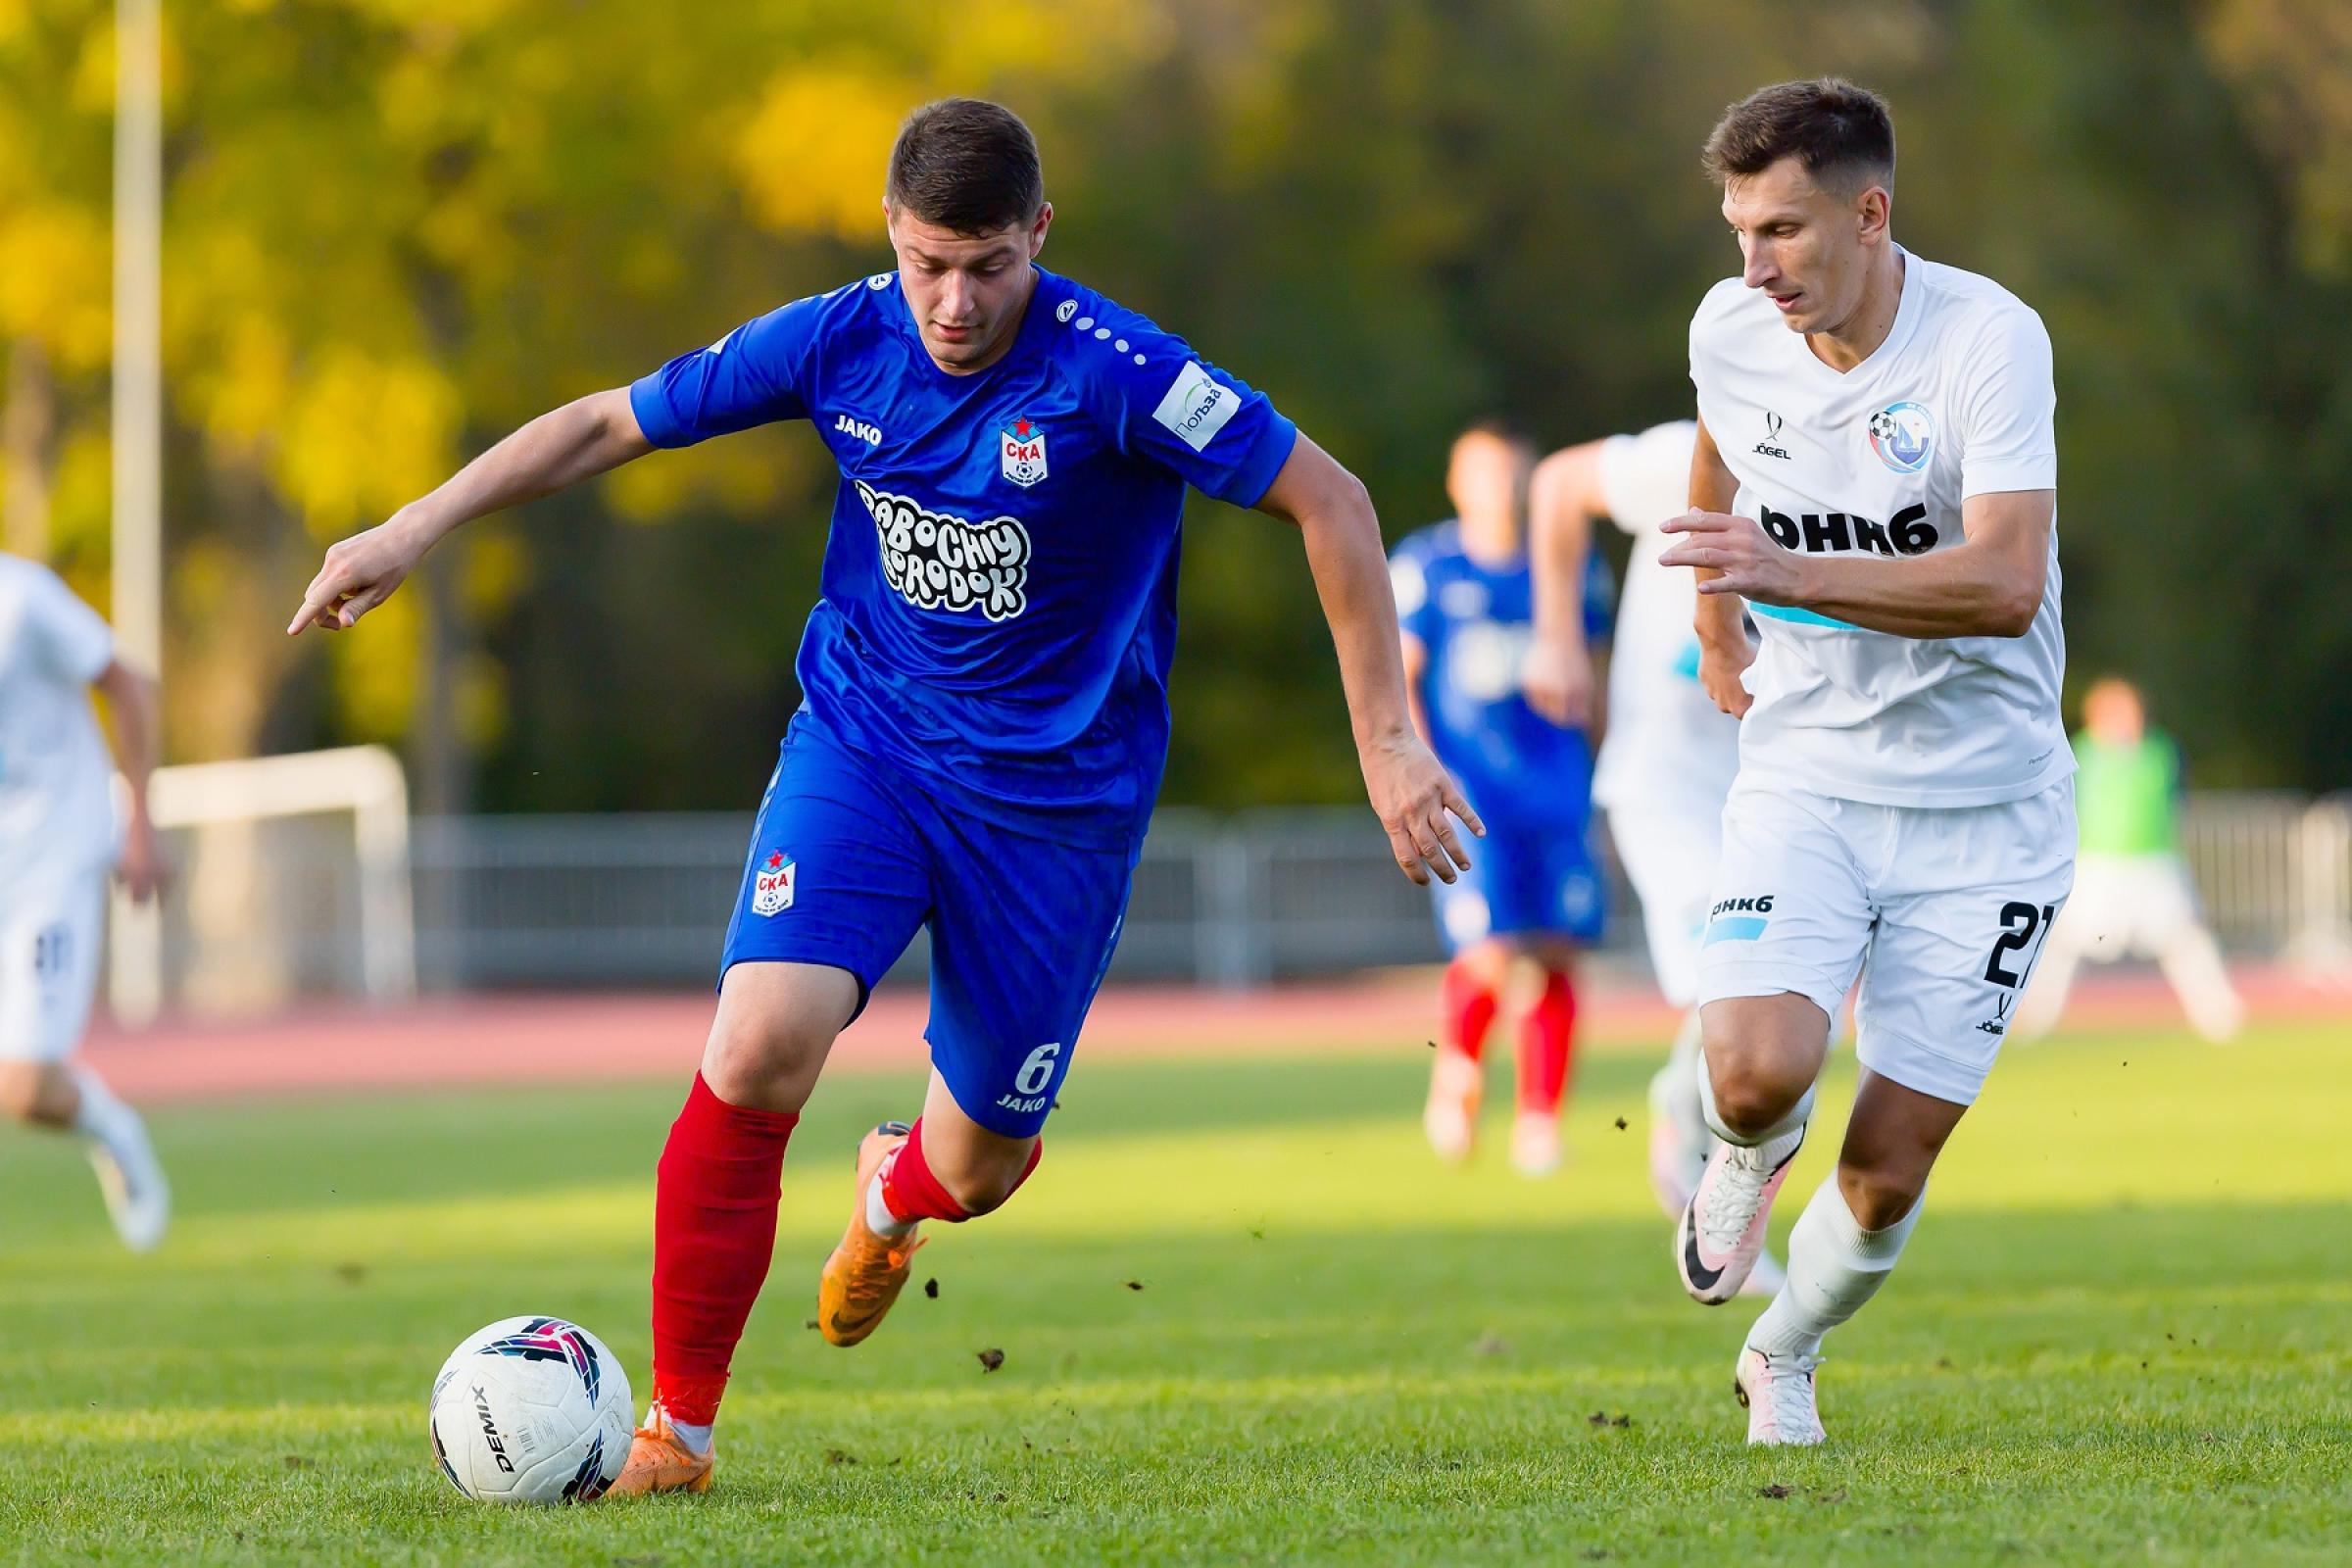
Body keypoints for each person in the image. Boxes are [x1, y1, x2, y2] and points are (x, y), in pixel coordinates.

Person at [286, 97, 1478, 1495]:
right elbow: (609, 423)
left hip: (1055, 809)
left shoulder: (1118, 372)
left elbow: (1333, 500)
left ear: (1039, 234)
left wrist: (1387, 741)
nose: (955, 303)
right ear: (890, 236)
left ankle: (892, 1192)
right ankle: (679, 1432)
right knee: (756, 1046)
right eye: (927, 264)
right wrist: (413, 526)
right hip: (870, 748)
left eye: (988, 266)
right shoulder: (835, 340)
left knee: (978, 1168)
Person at [1660, 78, 2072, 1445]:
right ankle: (1745, 1148)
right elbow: (1720, 449)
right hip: (1812, 776)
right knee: (1752, 1072)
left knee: (1889, 1170)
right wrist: (1717, 619)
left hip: (1991, 809)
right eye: (1739, 232)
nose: (1755, 267)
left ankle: (1783, 1351)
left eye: (1783, 231)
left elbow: (2006, 584)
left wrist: (1789, 577)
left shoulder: (1987, 341)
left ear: (1871, 215)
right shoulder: (1731, 329)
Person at [1528, 420, 1784, 1297]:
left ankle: (1696, 1124)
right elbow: (1559, 483)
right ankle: (1693, 1156)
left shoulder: (1845, 478)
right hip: (1667, 783)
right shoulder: (1694, 456)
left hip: (1777, 788)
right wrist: (1557, 635)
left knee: (1796, 1007)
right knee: (1737, 984)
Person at [1393, 421, 1611, 1176]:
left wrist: (1605, 767)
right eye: (1484, 473)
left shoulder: (1570, 567)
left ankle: (1540, 1120)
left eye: (1512, 473)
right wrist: (1417, 768)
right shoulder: (1428, 565)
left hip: (1557, 789)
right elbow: (1402, 674)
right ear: (1457, 482)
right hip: (1472, 792)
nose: (1500, 488)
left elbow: (1597, 671)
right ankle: (1459, 1069)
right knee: (1490, 953)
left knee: (1557, 950)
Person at [0, 553, 170, 1250]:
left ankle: (114, 1130)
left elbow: (127, 682)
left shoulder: (22, 598)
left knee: (26, 1090)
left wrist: (140, 821)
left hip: (54, 854)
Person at [2015, 677, 2243, 1043]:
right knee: (2063, 942)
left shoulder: (2158, 752)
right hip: (2097, 864)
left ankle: (2219, 1014)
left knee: (2184, 937)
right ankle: (2034, 1016)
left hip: (2153, 862)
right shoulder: (2080, 753)